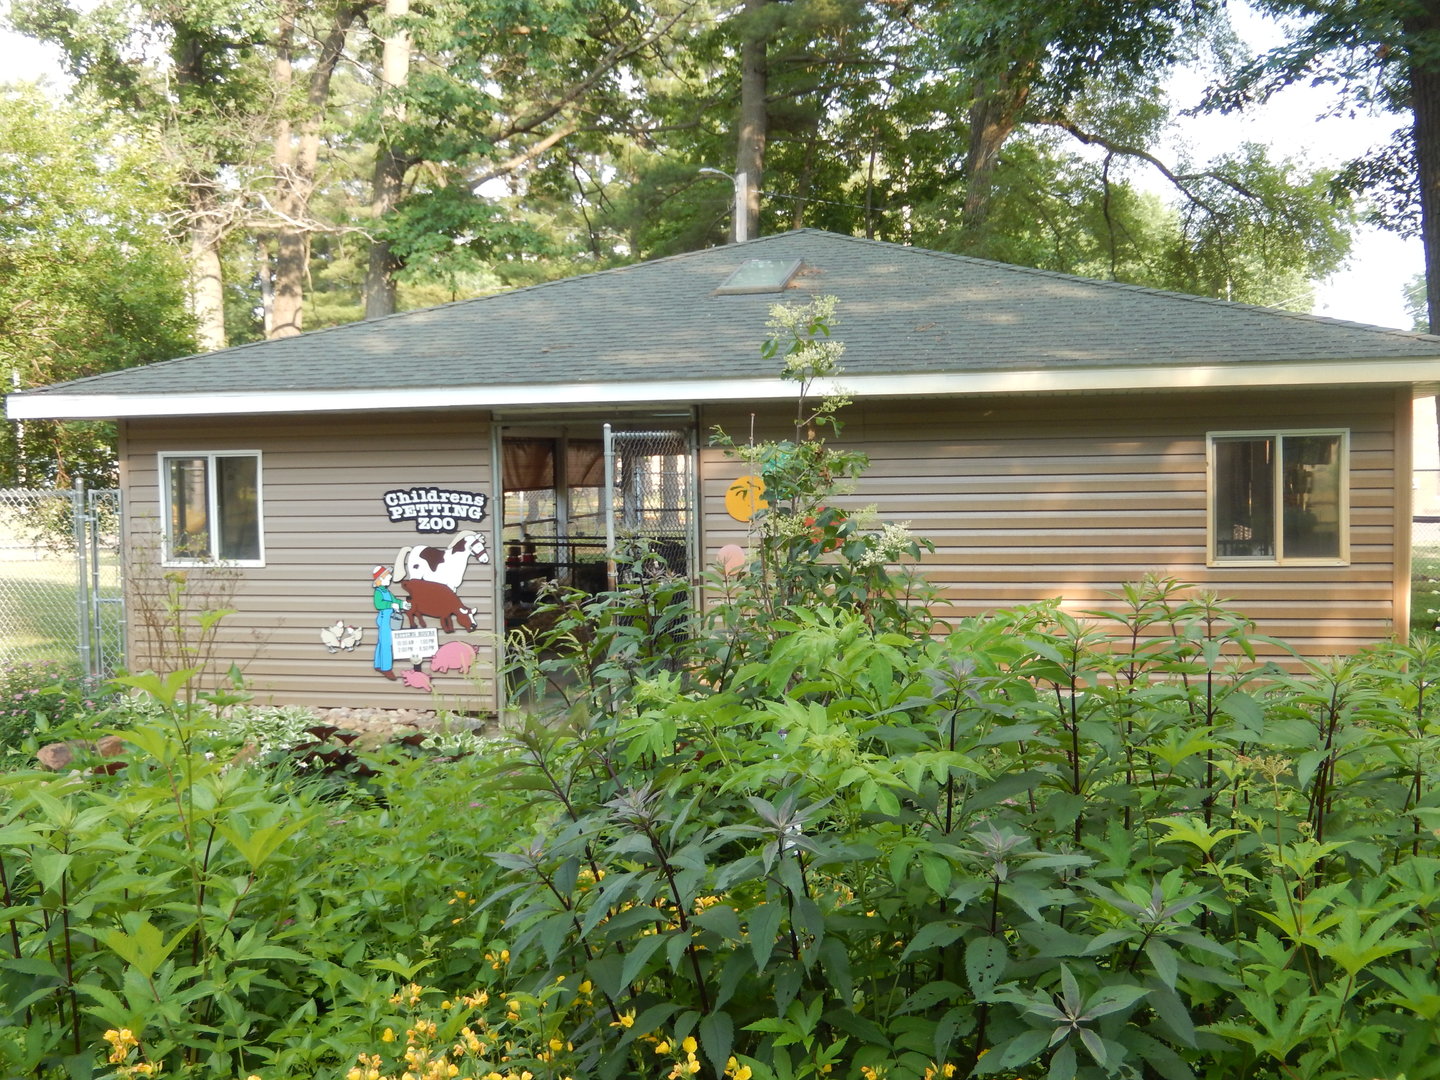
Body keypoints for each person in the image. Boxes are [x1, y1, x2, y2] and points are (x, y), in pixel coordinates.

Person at [371, 564, 406, 679]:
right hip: (384, 619)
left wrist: (402, 604)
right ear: (380, 579)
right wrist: (391, 605)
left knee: (381, 642)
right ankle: (386, 668)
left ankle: (378, 664)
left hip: (388, 617)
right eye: (387, 577)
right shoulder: (378, 592)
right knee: (386, 642)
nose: (390, 579)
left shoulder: (387, 591)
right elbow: (379, 604)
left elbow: (395, 600)